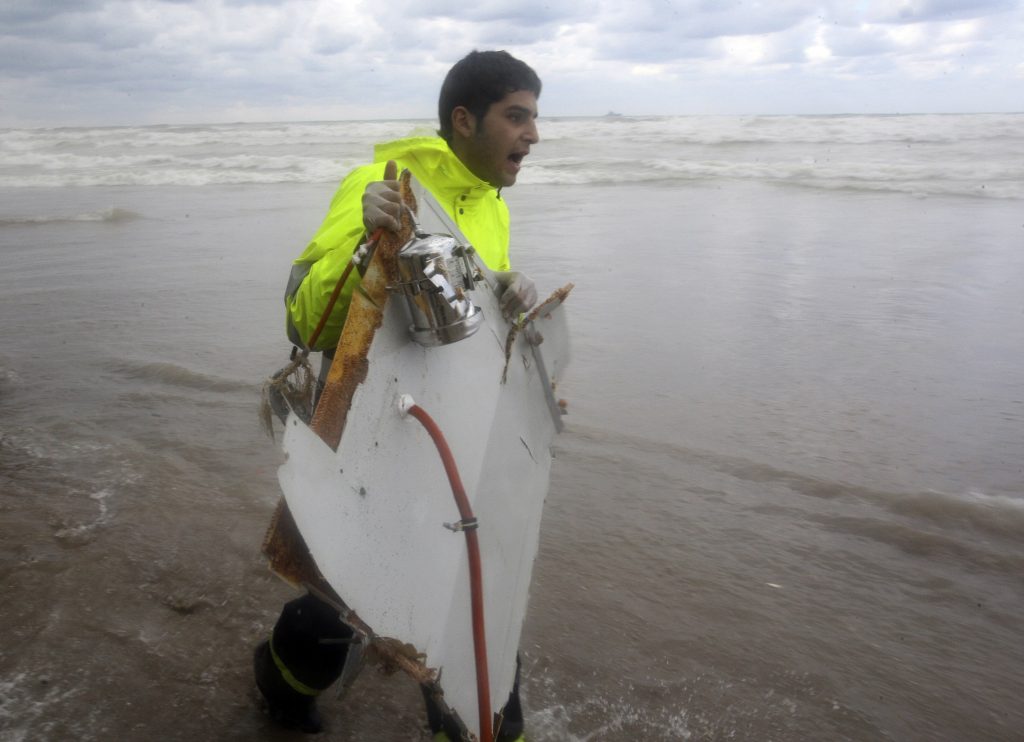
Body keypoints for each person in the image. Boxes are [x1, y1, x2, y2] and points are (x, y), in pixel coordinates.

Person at [253, 50, 542, 740]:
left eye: (535, 117)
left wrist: (510, 303)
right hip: (373, 438)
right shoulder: (380, 182)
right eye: (518, 116)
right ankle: (278, 689)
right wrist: (363, 229)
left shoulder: (492, 207)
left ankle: (478, 719)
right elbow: (302, 316)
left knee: (455, 618)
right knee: (336, 613)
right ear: (465, 120)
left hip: (451, 449)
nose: (533, 134)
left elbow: (464, 340)